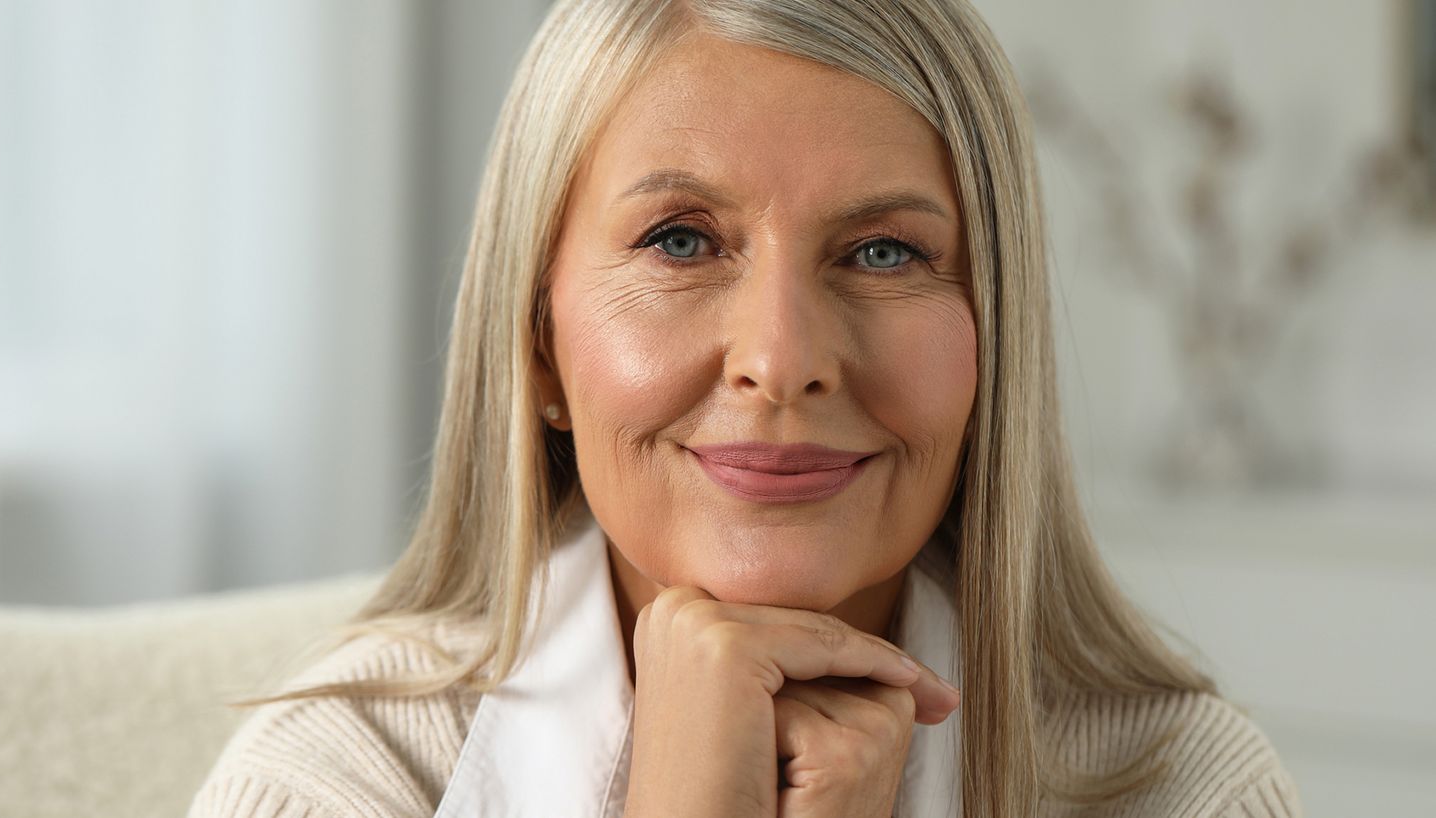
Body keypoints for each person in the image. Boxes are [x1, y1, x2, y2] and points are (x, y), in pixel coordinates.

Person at [188, 1, 1303, 816]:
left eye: (882, 250)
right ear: (537, 344)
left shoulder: (1183, 784)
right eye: (680, 239)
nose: (781, 359)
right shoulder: (332, 776)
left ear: (992, 341)